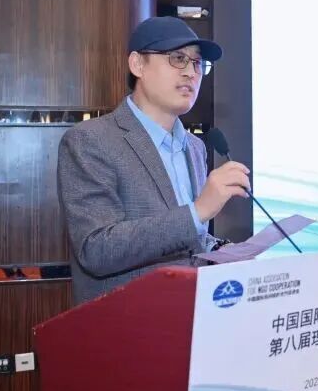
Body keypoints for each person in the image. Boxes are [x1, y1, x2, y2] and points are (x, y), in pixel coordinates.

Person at [57, 17, 251, 304]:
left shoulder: (195, 147)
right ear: (138, 65)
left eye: (198, 63)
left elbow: (186, 237)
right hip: (128, 321)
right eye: (178, 59)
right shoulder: (90, 141)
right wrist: (198, 211)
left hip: (192, 314)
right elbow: (96, 249)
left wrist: (221, 250)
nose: (191, 73)